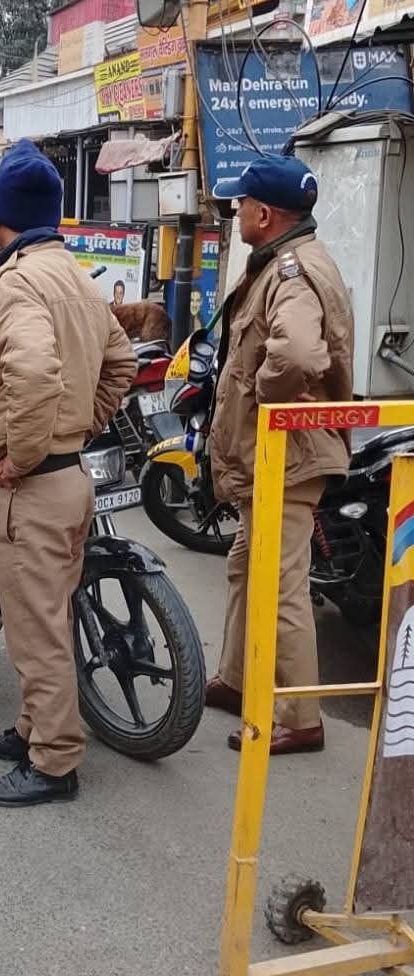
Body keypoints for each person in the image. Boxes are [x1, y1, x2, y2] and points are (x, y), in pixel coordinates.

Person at [0, 140, 137, 807]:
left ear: (0, 218)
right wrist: (82, 427)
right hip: (68, 479)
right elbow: (121, 363)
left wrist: (25, 453)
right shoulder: (75, 276)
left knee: (37, 632)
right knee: (46, 618)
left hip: (32, 487)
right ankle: (32, 728)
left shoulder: (18, 281)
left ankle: (54, 761)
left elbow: (34, 373)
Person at [205, 155, 354, 755]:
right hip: (274, 457)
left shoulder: (291, 271)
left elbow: (294, 355)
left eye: (241, 203)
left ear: (264, 214)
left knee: (282, 583)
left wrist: (263, 399)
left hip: (289, 455)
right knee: (247, 565)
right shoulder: (282, 263)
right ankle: (239, 678)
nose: (236, 211)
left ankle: (299, 714)